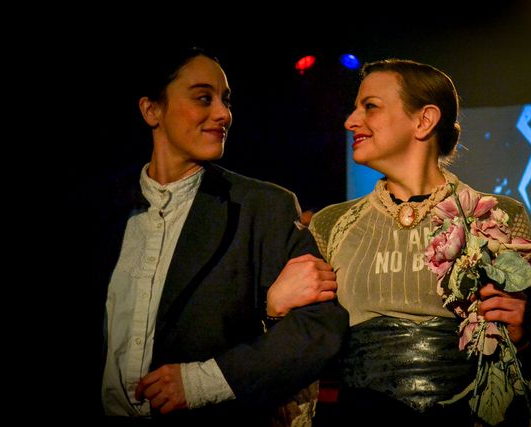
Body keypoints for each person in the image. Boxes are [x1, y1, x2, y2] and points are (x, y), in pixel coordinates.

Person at [269, 59, 531, 425]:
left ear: (424, 120)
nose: (350, 121)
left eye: (369, 107)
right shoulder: (331, 224)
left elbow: (529, 370)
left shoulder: (498, 215)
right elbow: (300, 349)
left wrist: (520, 338)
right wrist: (273, 308)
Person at [94, 46, 349, 425]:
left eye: (226, 100)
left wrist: (201, 382)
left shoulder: (262, 207)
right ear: (152, 110)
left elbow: (319, 328)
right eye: (203, 98)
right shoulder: (99, 212)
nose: (223, 114)